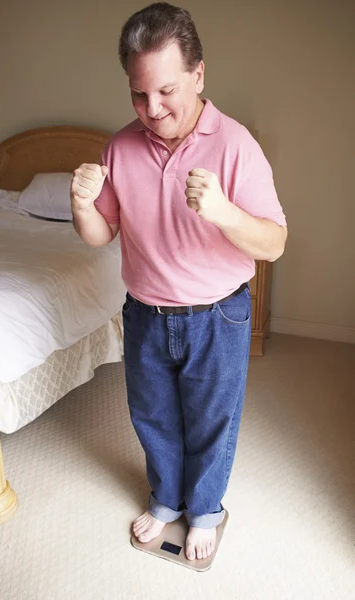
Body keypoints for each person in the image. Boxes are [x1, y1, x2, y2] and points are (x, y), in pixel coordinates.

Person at [71, 2, 287, 562]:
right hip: (144, 311)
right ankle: (167, 500)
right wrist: (80, 205)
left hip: (218, 314)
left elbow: (275, 242)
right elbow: (101, 233)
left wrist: (224, 213)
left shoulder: (236, 144)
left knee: (213, 420)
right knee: (153, 416)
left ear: (198, 74)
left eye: (166, 91)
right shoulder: (119, 146)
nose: (152, 108)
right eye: (138, 94)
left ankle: (206, 509)